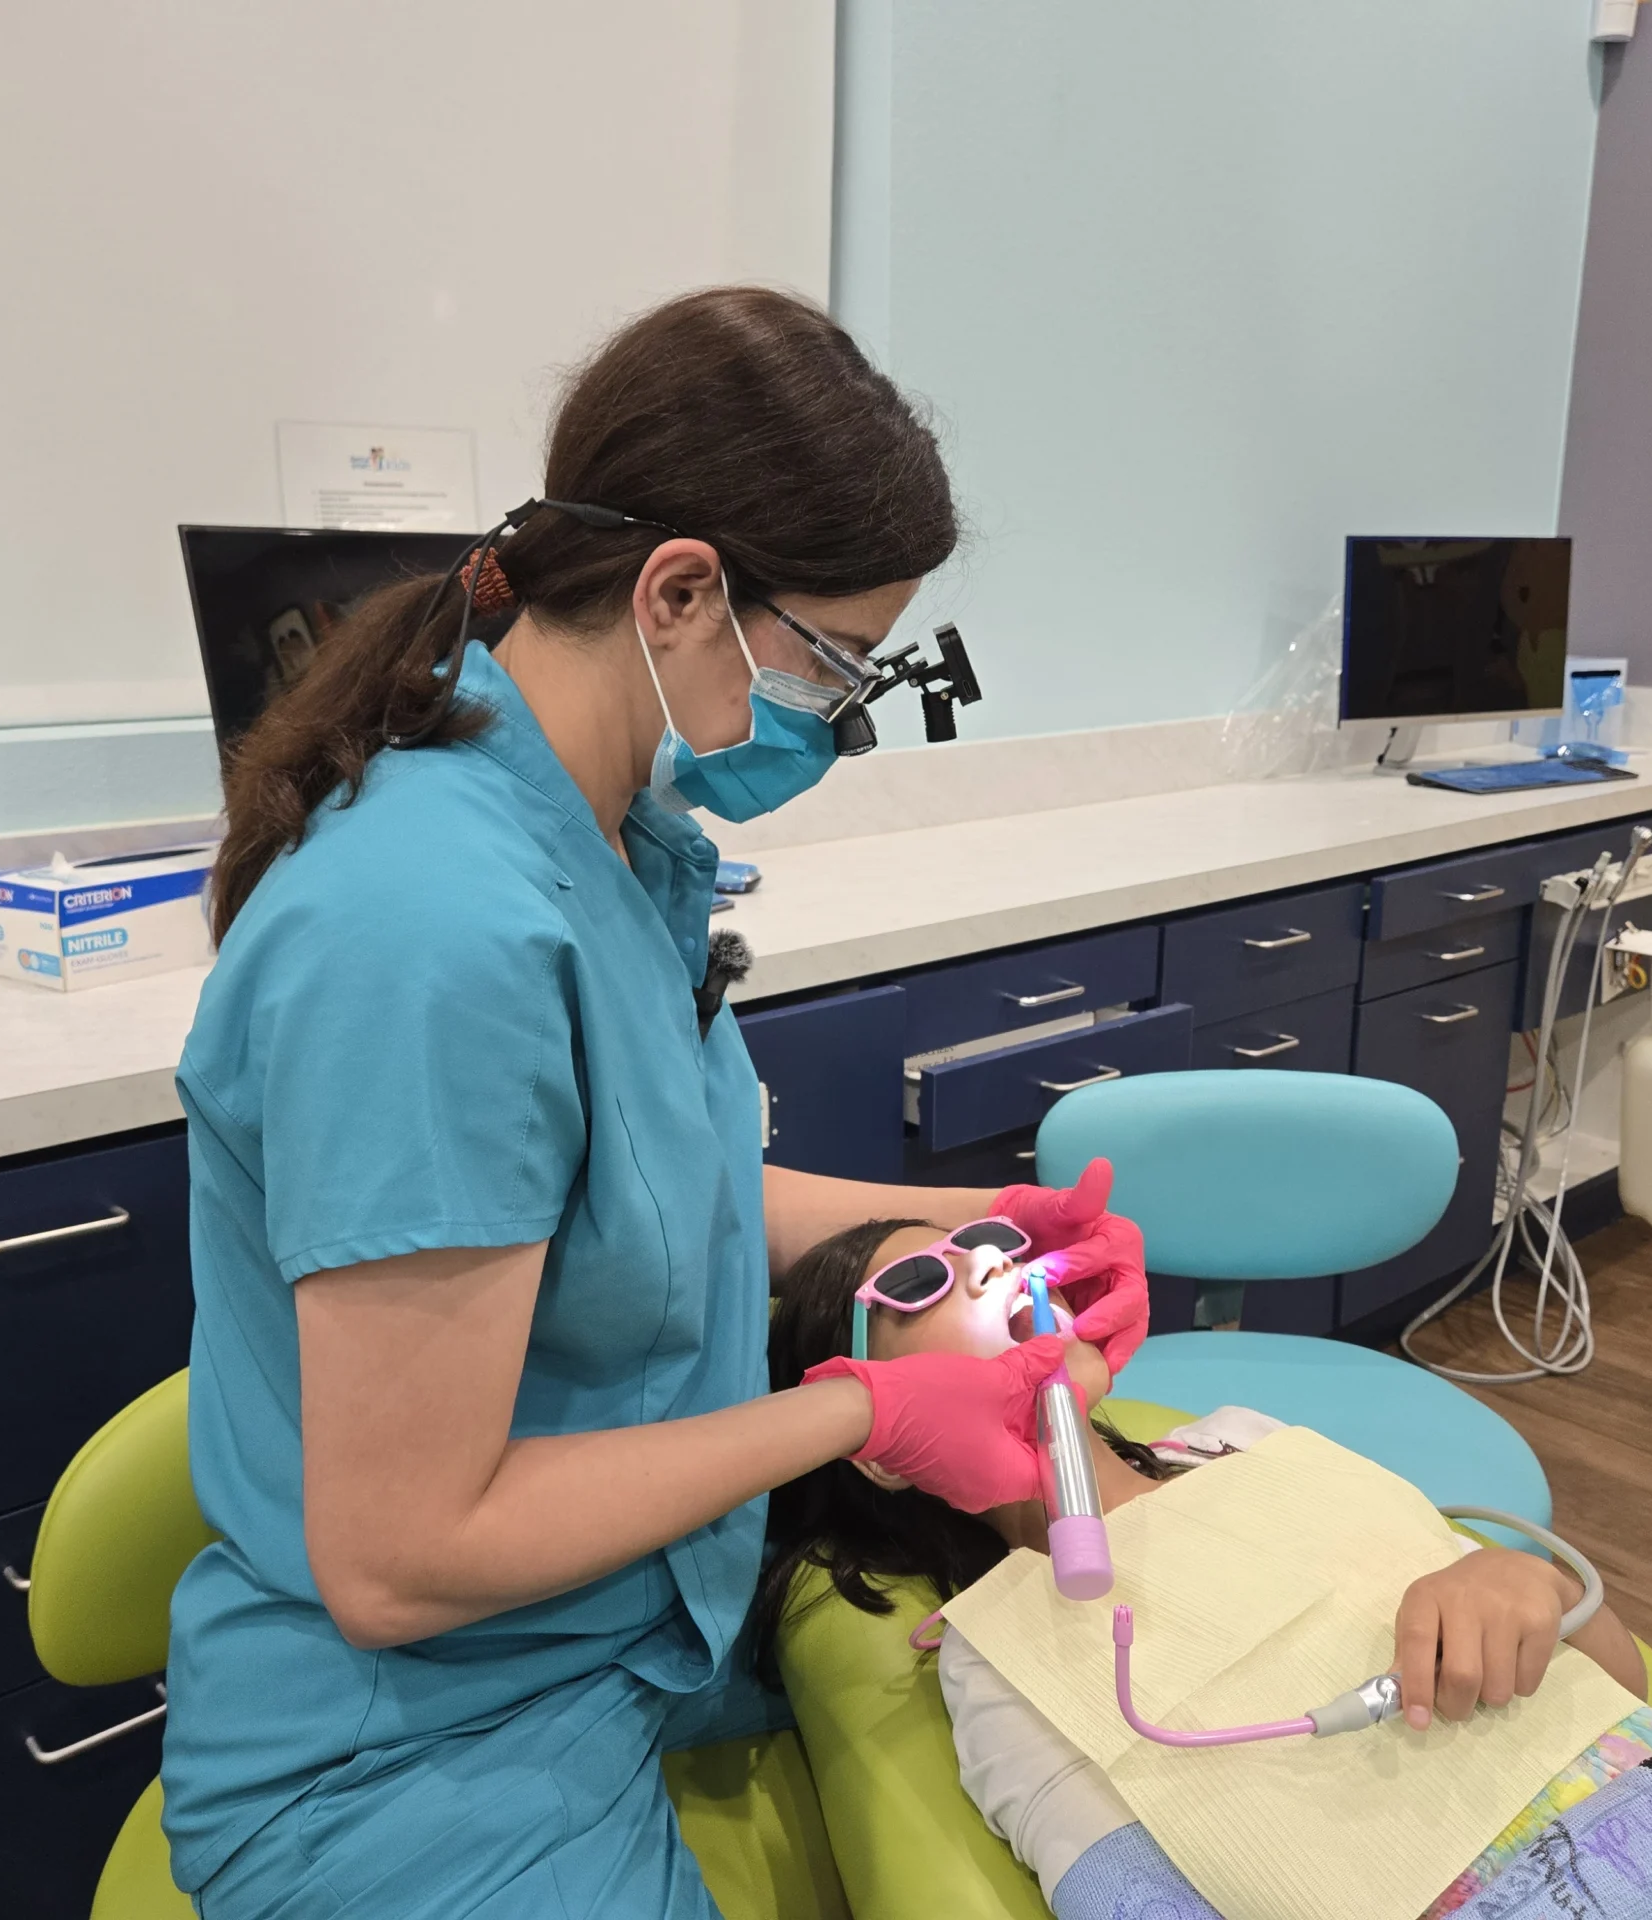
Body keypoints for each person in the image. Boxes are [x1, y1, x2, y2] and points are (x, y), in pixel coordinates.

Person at [164, 288, 1151, 1919]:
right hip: (414, 1749)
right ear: (677, 590)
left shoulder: (619, 843)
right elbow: (402, 1555)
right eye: (836, 667)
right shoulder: (426, 936)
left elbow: (647, 1203)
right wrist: (865, 1411)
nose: (838, 722)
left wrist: (965, 1226)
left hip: (637, 1618)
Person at [761, 1219, 1652, 1920]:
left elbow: (1614, 1684)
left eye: (993, 1237)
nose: (993, 1263)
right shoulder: (1003, 1671)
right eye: (931, 1276)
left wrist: (1534, 1594)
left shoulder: (1249, 1443)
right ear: (876, 1437)